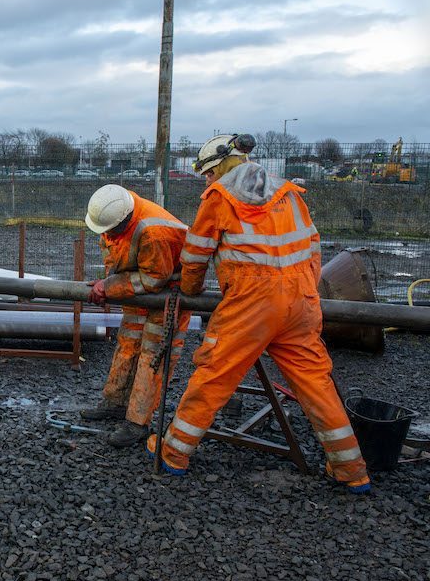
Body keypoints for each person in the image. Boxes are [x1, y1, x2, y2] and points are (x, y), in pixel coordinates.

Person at [147, 134, 371, 494]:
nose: (207, 180)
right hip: (300, 302)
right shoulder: (290, 194)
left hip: (251, 306)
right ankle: (351, 470)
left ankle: (173, 452)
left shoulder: (219, 199)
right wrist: (304, 292)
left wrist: (188, 291)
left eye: (208, 172)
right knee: (316, 384)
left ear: (222, 165)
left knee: (214, 374)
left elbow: (195, 254)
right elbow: (313, 248)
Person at [79, 184, 190, 447]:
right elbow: (112, 255)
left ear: (123, 222)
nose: (104, 235)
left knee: (153, 356)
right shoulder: (114, 214)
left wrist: (109, 287)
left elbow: (153, 280)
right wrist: (109, 281)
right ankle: (115, 403)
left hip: (168, 295)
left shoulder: (154, 232)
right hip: (136, 287)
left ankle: (137, 423)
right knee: (128, 344)